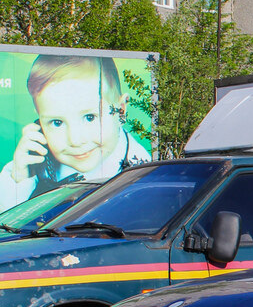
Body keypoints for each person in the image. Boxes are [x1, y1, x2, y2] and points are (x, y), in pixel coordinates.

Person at [0, 54, 151, 210]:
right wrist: (19, 179)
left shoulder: (139, 168)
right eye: (57, 123)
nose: (75, 140)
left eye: (90, 117)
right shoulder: (35, 167)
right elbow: (9, 223)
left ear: (120, 110)